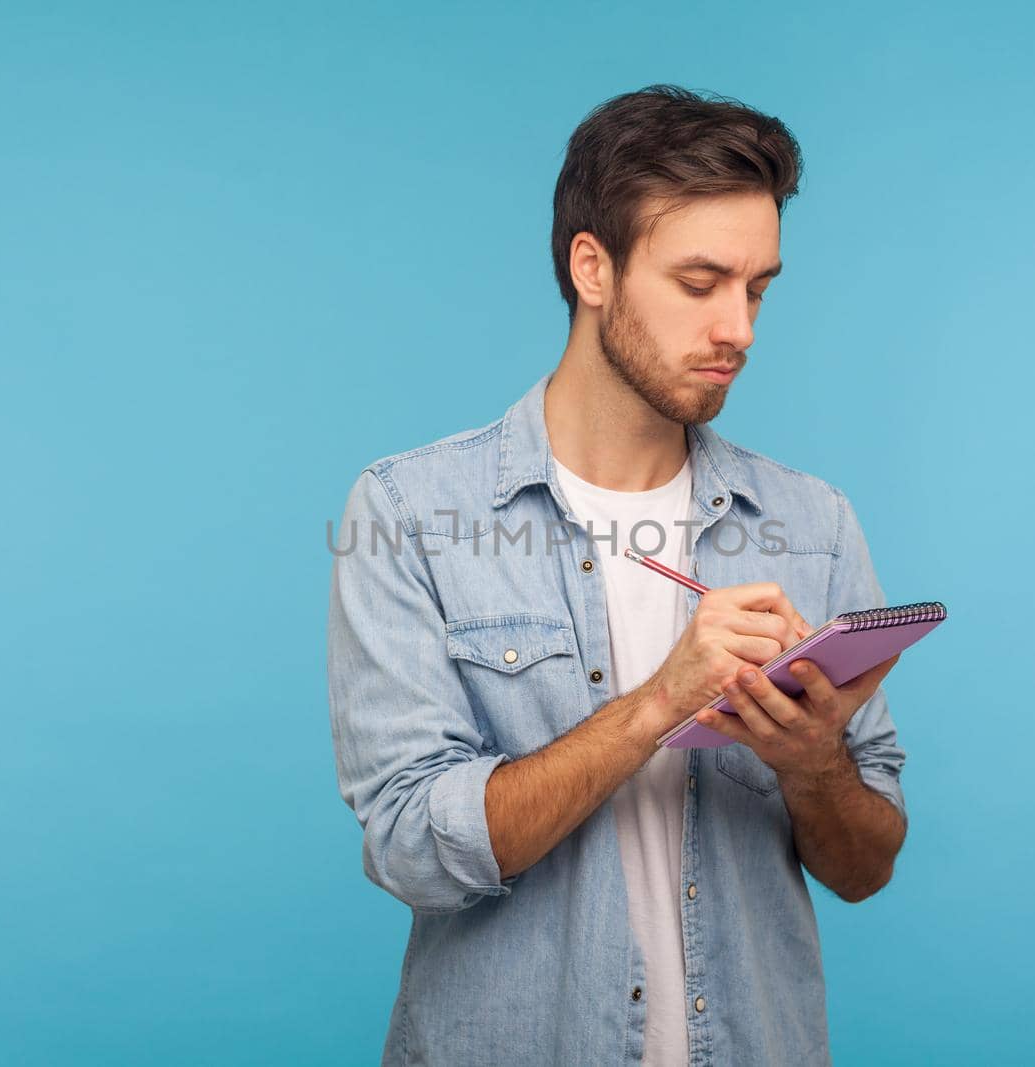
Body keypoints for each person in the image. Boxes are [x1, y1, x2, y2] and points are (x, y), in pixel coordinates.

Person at [326, 84, 909, 1066]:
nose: (740, 328)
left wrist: (812, 762)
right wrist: (655, 704)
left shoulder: (811, 524)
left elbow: (864, 867)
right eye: (699, 282)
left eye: (757, 287)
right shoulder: (409, 514)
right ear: (592, 268)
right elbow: (410, 848)